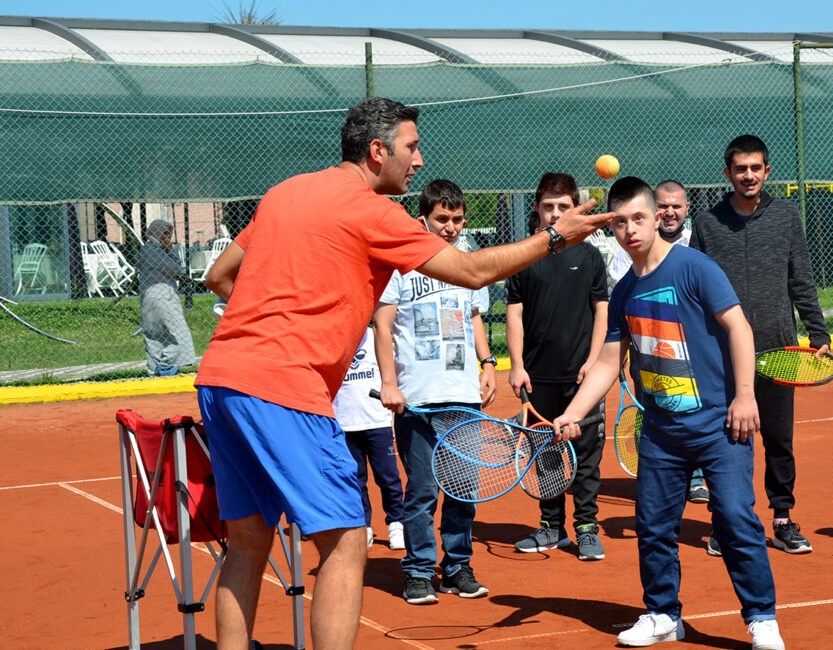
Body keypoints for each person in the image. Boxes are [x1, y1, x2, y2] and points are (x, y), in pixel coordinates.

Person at [195, 97, 609, 649]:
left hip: (222, 377)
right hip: (283, 387)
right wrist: (558, 235)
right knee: (345, 540)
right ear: (377, 151)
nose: (417, 161)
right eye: (411, 148)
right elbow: (470, 269)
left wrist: (290, 312)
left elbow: (220, 275)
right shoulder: (373, 212)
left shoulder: (285, 191)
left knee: (247, 544)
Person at [552, 177, 784, 649]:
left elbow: (738, 328)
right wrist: (572, 412)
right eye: (619, 223)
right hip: (660, 431)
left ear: (658, 217)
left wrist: (745, 396)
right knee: (654, 526)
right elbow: (606, 362)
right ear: (611, 229)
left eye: (638, 218)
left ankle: (762, 619)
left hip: (720, 423)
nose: (630, 230)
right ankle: (662, 614)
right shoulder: (623, 292)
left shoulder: (695, 268)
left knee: (736, 519)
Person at [690, 134, 831, 556]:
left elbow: (800, 278)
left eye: (755, 168)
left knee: (778, 440)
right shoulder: (708, 222)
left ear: (767, 171)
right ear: (727, 173)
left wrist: (817, 331)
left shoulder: (787, 216)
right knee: (727, 441)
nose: (748, 175)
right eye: (740, 169)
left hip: (778, 352)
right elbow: (696, 289)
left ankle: (783, 518)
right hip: (722, 355)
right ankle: (725, 521)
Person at [374, 178, 497, 604]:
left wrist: (488, 363)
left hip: (464, 397)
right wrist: (389, 383)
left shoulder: (465, 264)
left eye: (457, 219)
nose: (450, 227)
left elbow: (475, 317)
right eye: (442, 219)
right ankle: (419, 571)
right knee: (423, 491)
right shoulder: (401, 267)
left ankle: (458, 567)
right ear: (423, 218)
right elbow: (384, 326)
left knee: (463, 490)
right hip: (418, 399)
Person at [506, 172, 610, 561]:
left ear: (574, 208)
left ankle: (586, 527)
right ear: (537, 209)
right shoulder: (524, 255)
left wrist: (594, 361)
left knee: (585, 457)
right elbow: (513, 315)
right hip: (537, 377)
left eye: (563, 207)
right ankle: (552, 527)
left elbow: (602, 310)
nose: (555, 213)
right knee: (546, 454)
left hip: (581, 377)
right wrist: (516, 366)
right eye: (548, 207)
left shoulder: (589, 256)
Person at [609, 181, 710, 505]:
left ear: (685, 209)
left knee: (688, 409)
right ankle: (656, 476)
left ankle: (694, 478)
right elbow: (619, 326)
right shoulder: (625, 270)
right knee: (652, 412)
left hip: (687, 353)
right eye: (664, 205)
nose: (669, 212)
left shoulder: (695, 255)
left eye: (675, 207)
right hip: (645, 351)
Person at [331, 325, 406, 552]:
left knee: (388, 477)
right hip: (344, 422)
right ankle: (363, 526)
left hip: (377, 422)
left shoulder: (377, 336)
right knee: (355, 480)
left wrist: (392, 418)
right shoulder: (332, 337)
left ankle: (396, 523)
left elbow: (393, 377)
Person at [135, 219, 196, 377]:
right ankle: (165, 368)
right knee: (179, 334)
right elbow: (175, 269)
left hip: (148, 299)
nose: (167, 237)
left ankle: (154, 373)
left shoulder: (146, 250)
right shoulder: (153, 251)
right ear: (156, 232)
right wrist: (171, 251)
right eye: (165, 233)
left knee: (155, 336)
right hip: (163, 298)